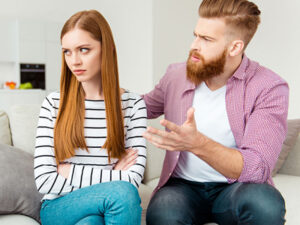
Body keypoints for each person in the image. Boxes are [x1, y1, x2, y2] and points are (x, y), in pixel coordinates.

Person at [143, 0, 288, 224]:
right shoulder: (176, 75)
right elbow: (144, 106)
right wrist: (103, 92)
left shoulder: (269, 87)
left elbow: (257, 168)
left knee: (265, 204)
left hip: (235, 189)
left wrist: (197, 143)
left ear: (235, 47)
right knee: (163, 212)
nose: (194, 45)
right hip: (182, 188)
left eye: (206, 39)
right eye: (196, 35)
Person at [34, 10, 147, 225]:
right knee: (122, 194)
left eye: (84, 50)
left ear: (107, 50)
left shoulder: (133, 104)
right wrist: (113, 176)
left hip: (103, 205)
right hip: (59, 206)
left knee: (91, 222)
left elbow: (133, 178)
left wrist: (69, 171)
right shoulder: (53, 104)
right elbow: (44, 181)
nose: (74, 61)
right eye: (67, 52)